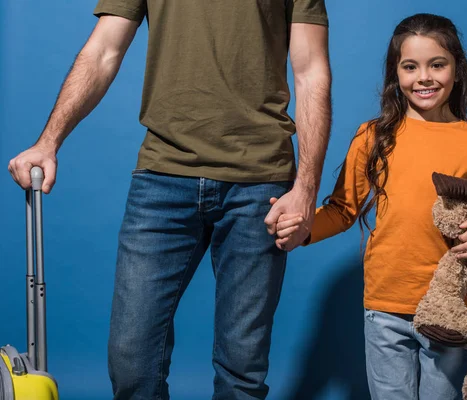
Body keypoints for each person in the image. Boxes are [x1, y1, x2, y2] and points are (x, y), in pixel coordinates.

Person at [7, 1, 331, 399]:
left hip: (260, 184)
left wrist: (306, 189)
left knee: (242, 367)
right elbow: (103, 50)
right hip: (162, 179)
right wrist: (49, 141)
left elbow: (310, 71)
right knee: (131, 361)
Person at [271, 13, 467, 400]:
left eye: (437, 65)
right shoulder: (373, 136)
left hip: (450, 307)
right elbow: (343, 210)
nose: (423, 77)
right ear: (396, 74)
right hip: (384, 305)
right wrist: (301, 228)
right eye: (410, 67)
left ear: (457, 70)